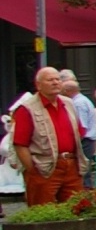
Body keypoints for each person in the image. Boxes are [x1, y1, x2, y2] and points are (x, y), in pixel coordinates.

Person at [11, 66, 84, 205]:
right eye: (50, 80)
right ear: (38, 85)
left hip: (71, 166)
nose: (55, 82)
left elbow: (78, 133)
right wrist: (33, 171)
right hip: (43, 167)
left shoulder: (68, 103)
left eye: (58, 79)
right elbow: (20, 144)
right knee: (42, 209)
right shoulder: (27, 109)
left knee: (76, 208)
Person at [58, 72, 96, 189]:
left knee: (82, 170)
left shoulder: (78, 103)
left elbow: (81, 127)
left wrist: (73, 144)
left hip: (85, 141)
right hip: (87, 140)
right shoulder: (81, 100)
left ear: (67, 91)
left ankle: (84, 193)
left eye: (62, 90)